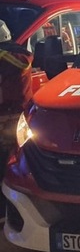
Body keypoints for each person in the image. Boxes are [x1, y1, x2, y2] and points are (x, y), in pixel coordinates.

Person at [0, 19, 33, 212]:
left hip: (13, 121)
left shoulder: (18, 55)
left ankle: (9, 207)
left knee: (11, 163)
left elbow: (22, 62)